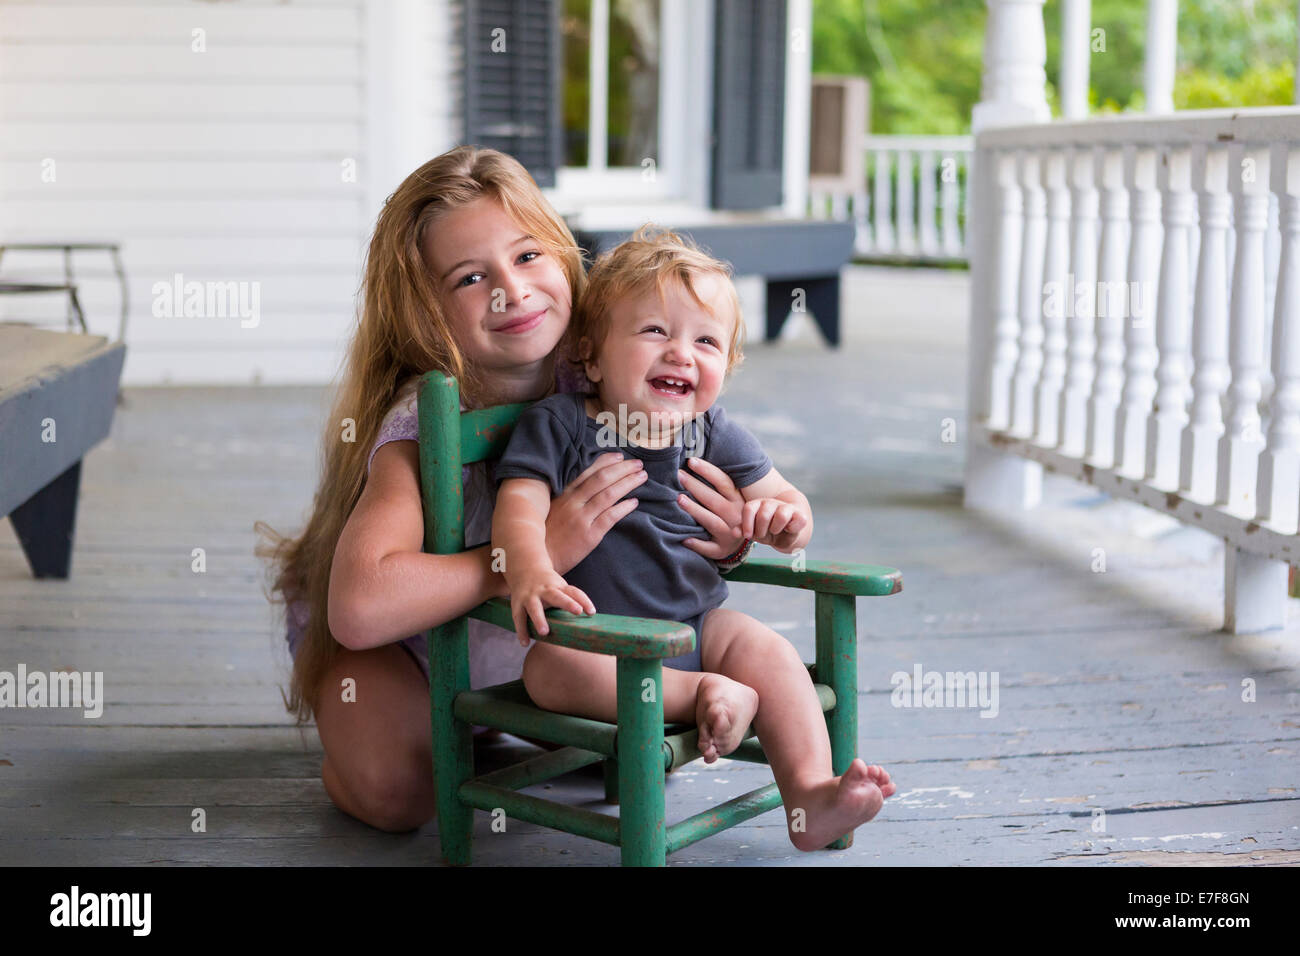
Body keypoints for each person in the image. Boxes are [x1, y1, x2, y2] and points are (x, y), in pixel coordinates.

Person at [256, 148, 749, 833]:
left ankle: (487, 725)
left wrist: (723, 538)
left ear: (563, 257)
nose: (511, 292)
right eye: (469, 277)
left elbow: (671, 512)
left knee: (629, 756)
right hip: (404, 647)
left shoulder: (610, 384)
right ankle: (387, 736)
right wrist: (523, 552)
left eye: (526, 257)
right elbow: (362, 607)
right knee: (397, 795)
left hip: (537, 647)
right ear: (425, 313)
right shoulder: (421, 431)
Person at [491, 227, 897, 852]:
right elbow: (520, 506)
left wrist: (785, 523)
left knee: (769, 652)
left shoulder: (710, 431)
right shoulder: (562, 426)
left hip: (699, 628)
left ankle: (812, 795)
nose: (682, 353)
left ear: (724, 369)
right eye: (655, 331)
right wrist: (530, 569)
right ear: (592, 356)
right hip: (598, 640)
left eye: (705, 341)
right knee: (547, 666)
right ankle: (706, 694)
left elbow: (786, 499)